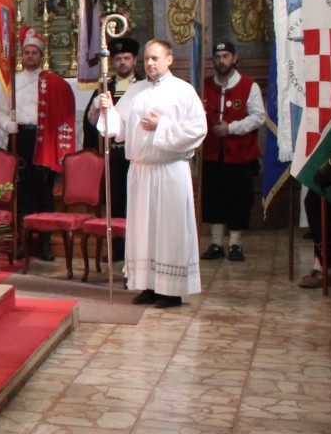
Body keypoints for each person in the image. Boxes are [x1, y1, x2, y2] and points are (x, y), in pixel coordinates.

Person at [94, 39, 207, 308]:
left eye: (155, 58)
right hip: (141, 170)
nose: (150, 63)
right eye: (146, 58)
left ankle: (171, 291)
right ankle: (148, 284)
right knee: (143, 230)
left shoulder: (183, 91)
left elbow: (198, 130)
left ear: (169, 59)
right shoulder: (135, 91)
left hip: (170, 170)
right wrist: (108, 110)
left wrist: (162, 125)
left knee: (169, 229)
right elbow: (117, 129)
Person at [8, 27, 76, 259]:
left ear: (41, 55)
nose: (30, 56)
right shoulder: (13, 82)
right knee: (23, 194)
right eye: (26, 52)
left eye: (34, 53)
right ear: (22, 55)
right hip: (21, 139)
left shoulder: (53, 82)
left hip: (44, 141)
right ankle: (24, 242)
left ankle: (45, 244)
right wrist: (7, 124)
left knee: (44, 194)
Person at [199, 41, 265, 263]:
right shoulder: (205, 85)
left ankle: (235, 243)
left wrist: (232, 128)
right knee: (213, 198)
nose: (221, 60)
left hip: (239, 153)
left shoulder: (248, 85)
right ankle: (216, 243)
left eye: (226, 56)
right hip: (212, 152)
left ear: (234, 58)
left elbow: (258, 117)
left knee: (239, 199)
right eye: (217, 57)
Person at [83, 36, 141, 258]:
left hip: (136, 154)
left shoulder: (143, 86)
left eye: (126, 58)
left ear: (135, 60)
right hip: (113, 156)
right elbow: (90, 123)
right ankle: (116, 247)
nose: (122, 63)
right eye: (118, 59)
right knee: (114, 202)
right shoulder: (105, 87)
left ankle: (135, 248)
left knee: (136, 203)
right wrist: (96, 108)